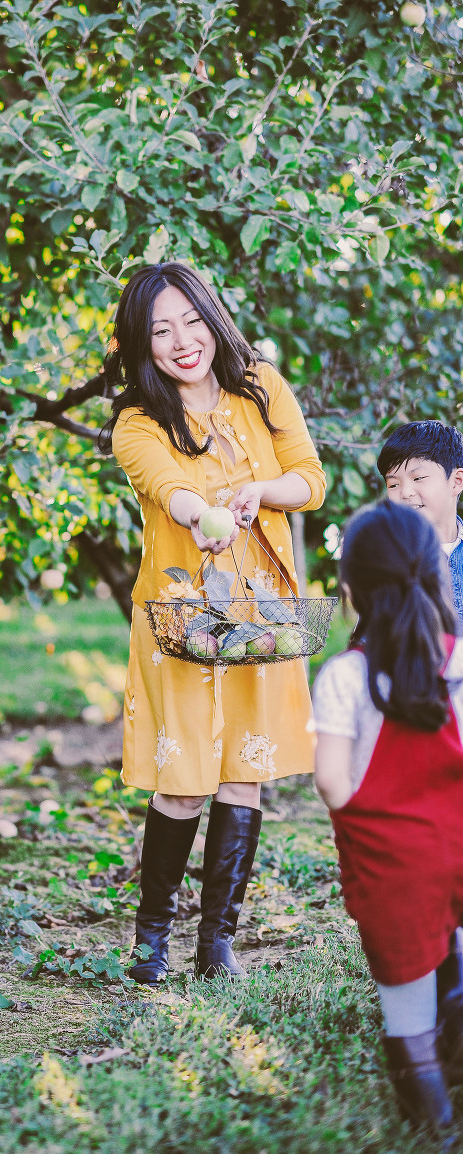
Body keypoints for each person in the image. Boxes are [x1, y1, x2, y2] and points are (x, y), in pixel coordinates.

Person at [99, 261, 326, 984]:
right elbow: (168, 490)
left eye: (191, 320)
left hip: (262, 613)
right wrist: (205, 515)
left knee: (245, 773)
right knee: (185, 781)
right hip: (182, 617)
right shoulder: (137, 421)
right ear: (142, 344)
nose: (181, 340)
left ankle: (216, 944)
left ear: (212, 317)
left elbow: (310, 482)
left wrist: (260, 489)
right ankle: (151, 938)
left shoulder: (260, 386)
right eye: (160, 330)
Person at [313, 501, 463, 1137]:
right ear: (436, 579)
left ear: (350, 593)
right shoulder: (457, 660)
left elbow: (333, 785)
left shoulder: (345, 677)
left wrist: (366, 813)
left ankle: (426, 1095)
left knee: (405, 975)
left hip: (394, 866)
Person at [378, 420, 463, 622]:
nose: (406, 493)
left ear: (456, 481)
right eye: (393, 484)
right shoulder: (385, 558)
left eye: (418, 478)